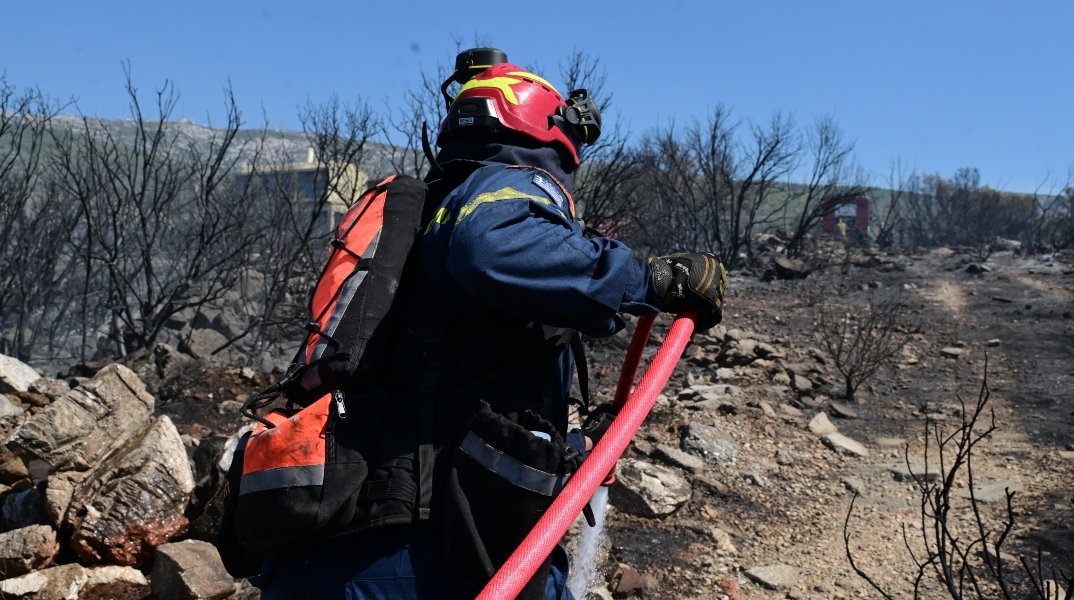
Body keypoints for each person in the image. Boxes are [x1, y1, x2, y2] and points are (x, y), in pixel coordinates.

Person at [253, 48, 727, 600]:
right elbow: (490, 248)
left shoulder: (418, 233)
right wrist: (648, 280)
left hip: (325, 549)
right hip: (428, 558)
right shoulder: (509, 184)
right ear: (550, 137)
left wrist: (578, 447)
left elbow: (447, 395)